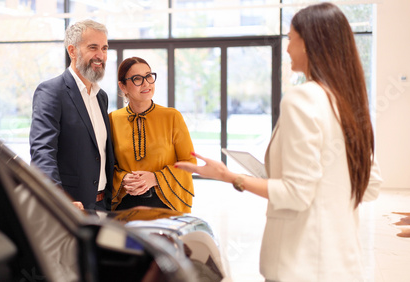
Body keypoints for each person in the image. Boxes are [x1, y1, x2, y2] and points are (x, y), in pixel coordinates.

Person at [175, 3, 383, 281]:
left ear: (309, 44)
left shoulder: (303, 98)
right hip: (343, 263)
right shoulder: (348, 102)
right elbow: (370, 186)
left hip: (300, 263)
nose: (286, 49)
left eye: (291, 38)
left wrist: (229, 176)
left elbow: (297, 193)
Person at [29, 19, 114, 210]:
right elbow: (42, 151)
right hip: (69, 208)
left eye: (105, 48)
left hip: (102, 206)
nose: (100, 55)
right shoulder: (51, 91)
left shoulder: (101, 97)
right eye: (93, 47)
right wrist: (58, 198)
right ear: (72, 51)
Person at [109, 57, 196, 213]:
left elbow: (189, 162)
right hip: (124, 206)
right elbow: (106, 166)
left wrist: (155, 178)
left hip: (166, 204)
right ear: (123, 86)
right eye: (137, 79)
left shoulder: (171, 116)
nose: (146, 83)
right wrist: (123, 179)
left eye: (148, 76)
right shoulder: (112, 119)